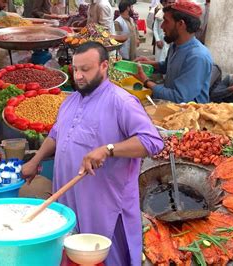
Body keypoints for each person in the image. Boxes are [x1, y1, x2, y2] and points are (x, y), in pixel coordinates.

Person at [22, 42, 163, 265]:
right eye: (75, 69)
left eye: (85, 70)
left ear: (104, 66)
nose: (78, 76)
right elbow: (56, 135)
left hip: (105, 205)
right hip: (68, 199)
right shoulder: (70, 101)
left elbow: (152, 142)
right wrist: (36, 160)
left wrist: (109, 149)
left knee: (106, 257)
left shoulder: (122, 101)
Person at [134, 0, 212, 103]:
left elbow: (178, 97)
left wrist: (146, 81)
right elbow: (168, 66)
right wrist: (149, 64)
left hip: (188, 115)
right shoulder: (175, 45)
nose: (162, 27)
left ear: (180, 24)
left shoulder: (197, 57)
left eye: (166, 21)